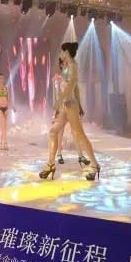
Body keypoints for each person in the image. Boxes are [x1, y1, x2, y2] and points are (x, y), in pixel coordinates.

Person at [40, 42, 100, 181]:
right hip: (65, 106)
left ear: (66, 52)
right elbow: (70, 87)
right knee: (53, 131)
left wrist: (59, 100)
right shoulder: (67, 67)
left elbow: (71, 86)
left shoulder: (73, 66)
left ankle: (95, 165)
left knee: (79, 135)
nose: (60, 54)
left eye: (61, 52)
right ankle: (50, 164)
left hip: (71, 105)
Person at [53, 59, 90, 167]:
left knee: (75, 131)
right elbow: (57, 95)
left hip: (72, 107)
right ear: (61, 65)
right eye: (64, 64)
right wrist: (57, 109)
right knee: (61, 131)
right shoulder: (58, 79)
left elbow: (76, 93)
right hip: (62, 107)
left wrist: (80, 108)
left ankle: (80, 156)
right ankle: (59, 154)